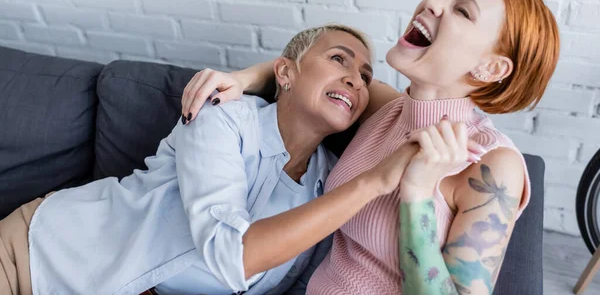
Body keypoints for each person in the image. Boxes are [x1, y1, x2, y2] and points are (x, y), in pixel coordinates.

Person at [180, 0, 560, 294]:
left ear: (490, 69)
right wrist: (239, 78)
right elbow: (307, 70)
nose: (433, 3)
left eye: (462, 11)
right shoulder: (389, 109)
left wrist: (417, 194)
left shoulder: (493, 165)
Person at [0, 25, 425, 295]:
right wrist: (372, 183)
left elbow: (416, 116)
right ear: (286, 73)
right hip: (40, 255)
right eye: (338, 59)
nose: (356, 78)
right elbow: (231, 255)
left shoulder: (328, 184)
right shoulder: (222, 116)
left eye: (366, 77)